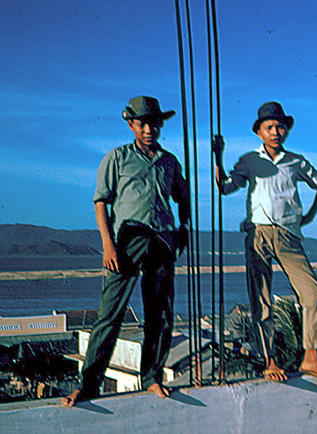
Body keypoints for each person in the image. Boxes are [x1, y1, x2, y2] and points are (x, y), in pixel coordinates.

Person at [62, 96, 190, 407]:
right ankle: (89, 384)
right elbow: (101, 203)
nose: (149, 128)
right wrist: (107, 245)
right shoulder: (116, 158)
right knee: (110, 314)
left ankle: (152, 378)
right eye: (143, 122)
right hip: (126, 241)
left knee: (160, 315)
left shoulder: (170, 161)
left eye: (154, 122)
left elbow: (182, 196)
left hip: (161, 240)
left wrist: (182, 230)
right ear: (131, 124)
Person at [213, 101, 317, 387]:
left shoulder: (296, 161)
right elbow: (225, 188)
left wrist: (309, 216)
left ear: (286, 130)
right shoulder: (248, 160)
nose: (276, 131)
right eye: (269, 127)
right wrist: (218, 157)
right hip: (257, 233)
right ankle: (269, 360)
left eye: (281, 126)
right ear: (259, 132)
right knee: (262, 300)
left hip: (289, 234)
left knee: (313, 293)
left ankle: (311, 357)